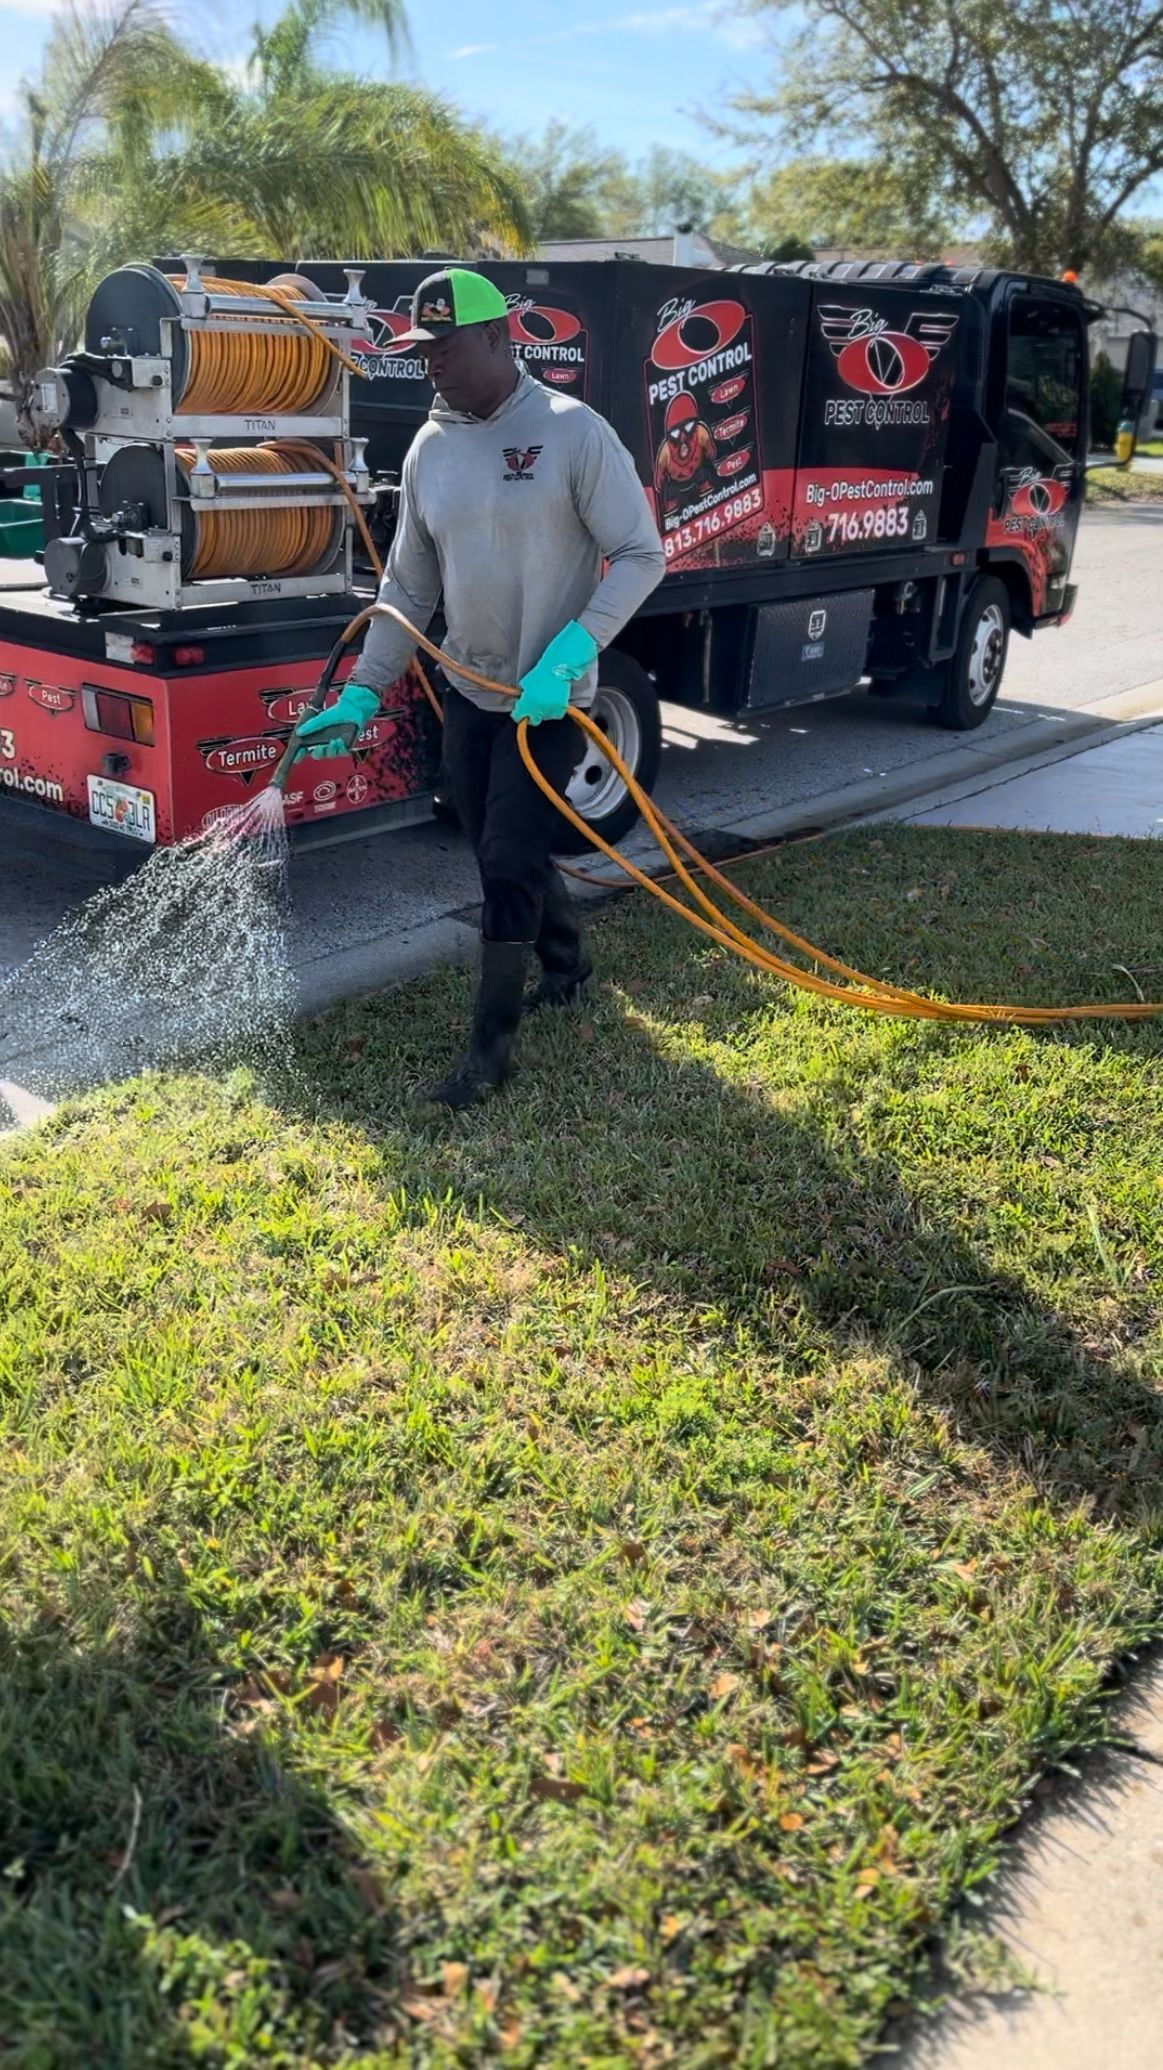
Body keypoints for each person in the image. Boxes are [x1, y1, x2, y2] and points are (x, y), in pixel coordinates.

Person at [295, 266, 666, 1108]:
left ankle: (486, 1055)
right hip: (469, 691)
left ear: (498, 338)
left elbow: (641, 554)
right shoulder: (430, 448)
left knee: (505, 858)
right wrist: (362, 691)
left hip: (551, 699)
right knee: (496, 843)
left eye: (445, 346)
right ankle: (569, 967)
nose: (430, 363)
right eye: (421, 349)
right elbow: (406, 588)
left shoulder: (573, 433)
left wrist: (569, 656)